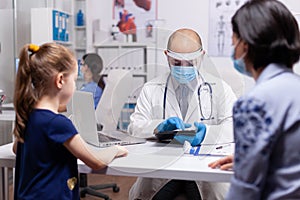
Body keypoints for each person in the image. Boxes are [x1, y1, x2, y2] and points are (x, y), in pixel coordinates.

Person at [128, 28, 237, 199]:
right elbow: (135, 127)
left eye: (190, 63)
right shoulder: (151, 88)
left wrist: (206, 134)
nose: (183, 68)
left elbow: (235, 127)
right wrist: (157, 128)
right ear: (167, 56)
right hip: (162, 169)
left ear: (202, 56)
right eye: (177, 63)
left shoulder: (220, 89)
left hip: (204, 169)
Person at [12, 43, 128, 199]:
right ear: (60, 80)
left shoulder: (28, 115)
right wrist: (116, 149)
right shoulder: (58, 123)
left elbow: (16, 149)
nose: (75, 86)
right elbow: (96, 162)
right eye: (74, 80)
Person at [209, 0, 300, 199]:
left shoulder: (254, 103)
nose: (233, 49)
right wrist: (253, 159)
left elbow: (245, 190)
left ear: (246, 45)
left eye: (233, 42)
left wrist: (246, 169)